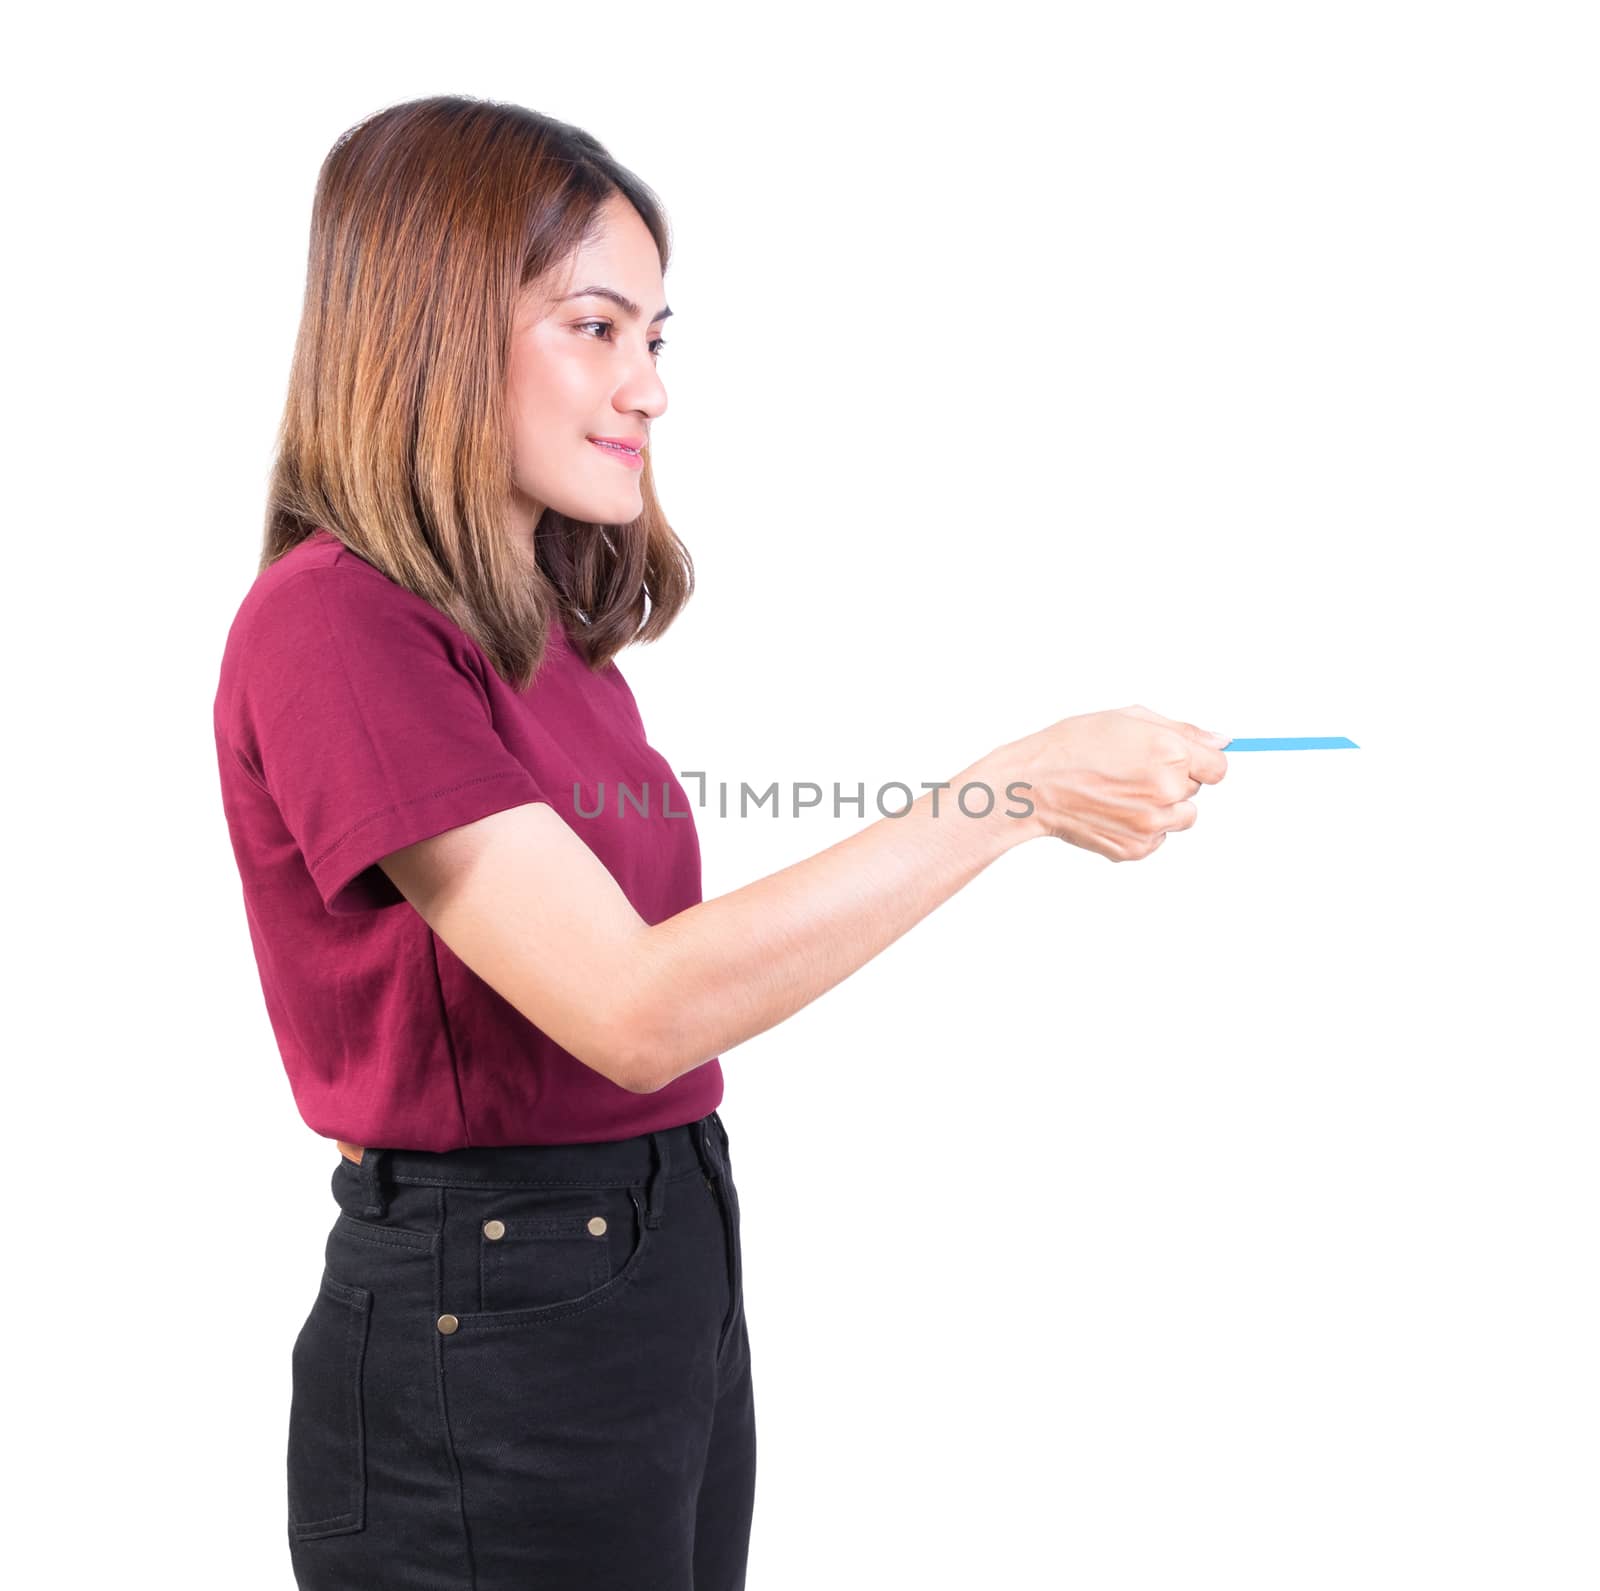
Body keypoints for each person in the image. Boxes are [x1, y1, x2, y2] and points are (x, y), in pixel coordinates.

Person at [211, 94, 1230, 1591]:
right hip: (495, 1306)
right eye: (596, 327)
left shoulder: (545, 644)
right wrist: (1006, 797)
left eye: (657, 338)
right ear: (431, 329)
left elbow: (652, 989)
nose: (648, 388)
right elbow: (634, 1009)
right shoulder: (335, 625)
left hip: (645, 1256)